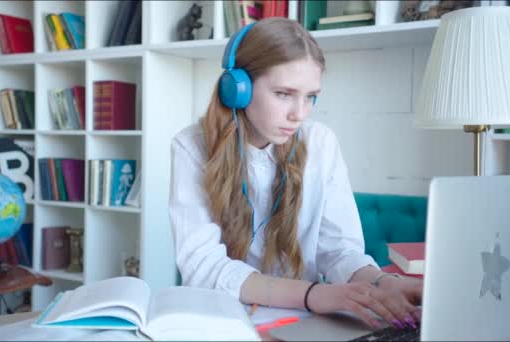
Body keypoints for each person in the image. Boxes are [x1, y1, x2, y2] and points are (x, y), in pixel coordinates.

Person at [169, 17, 423, 330]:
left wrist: (382, 281)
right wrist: (315, 295)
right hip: (224, 321)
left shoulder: (321, 142)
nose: (299, 113)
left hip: (305, 321)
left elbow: (340, 251)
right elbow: (203, 266)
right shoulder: (191, 146)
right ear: (239, 89)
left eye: (310, 97)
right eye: (284, 93)